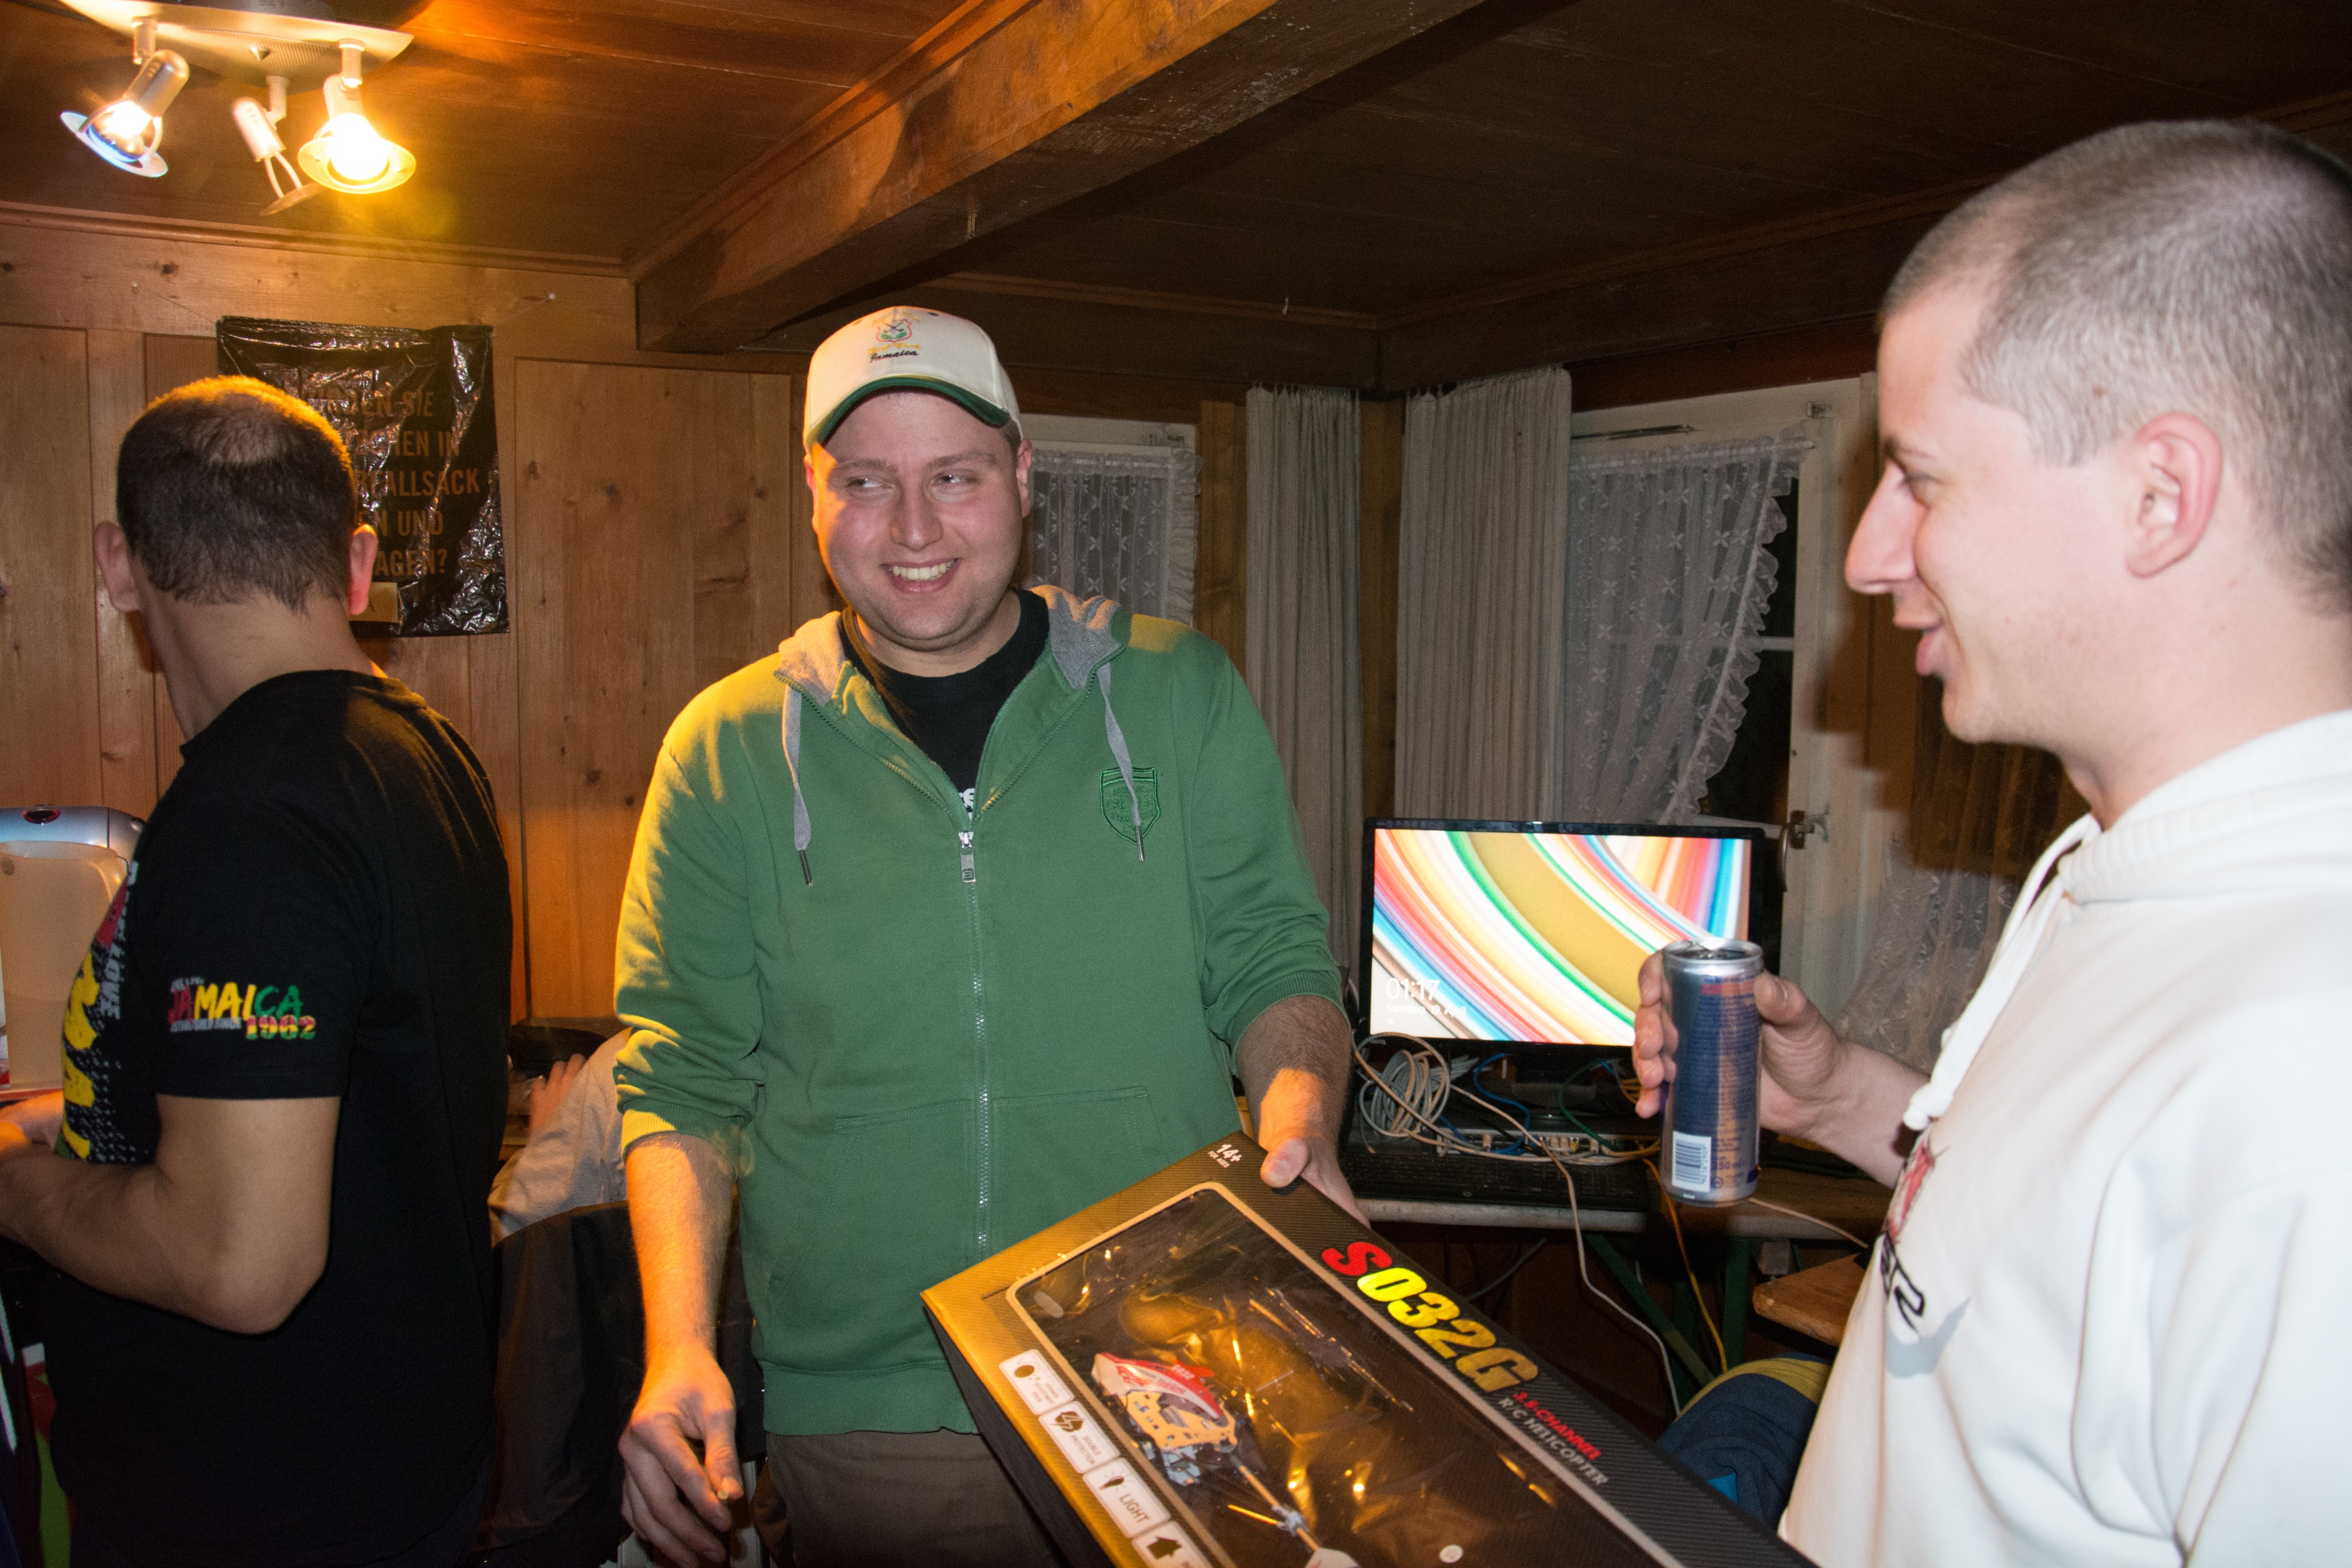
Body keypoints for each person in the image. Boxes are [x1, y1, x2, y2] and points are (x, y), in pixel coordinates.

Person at [1633, 121, 2352, 1564]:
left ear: (2159, 494)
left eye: (1921, 477)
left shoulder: (2309, 1073)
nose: (1864, 555)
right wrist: (1846, 1098)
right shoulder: (2117, 868)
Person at [612, 306, 1358, 1566]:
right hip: (878, 1411)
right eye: (867, 482)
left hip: (1173, 1367)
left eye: (953, 477)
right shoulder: (726, 750)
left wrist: (1302, 1120)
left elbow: (1274, 958)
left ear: (1021, 476)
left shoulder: (1178, 693)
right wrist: (678, 1345)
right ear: (814, 493)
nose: (913, 528)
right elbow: (680, 1075)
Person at [0, 378, 513, 1567]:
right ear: (357, 563)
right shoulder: (420, 751)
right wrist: (72, 1122)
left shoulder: (255, 817)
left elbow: (240, 1263)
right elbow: (337, 1088)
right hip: (388, 1464)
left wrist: (14, 1186)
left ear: (118, 565)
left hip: (256, 1513)